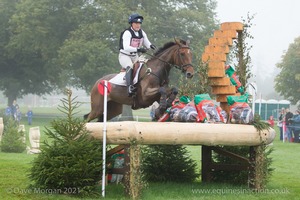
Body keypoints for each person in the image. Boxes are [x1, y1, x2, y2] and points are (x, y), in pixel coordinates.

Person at [119, 13, 156, 97]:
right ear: (131, 23)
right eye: (136, 23)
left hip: (135, 56)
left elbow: (146, 42)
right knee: (130, 66)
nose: (138, 25)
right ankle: (129, 88)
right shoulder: (127, 33)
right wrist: (138, 49)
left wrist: (151, 46)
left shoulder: (141, 32)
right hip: (125, 56)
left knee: (144, 67)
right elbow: (126, 47)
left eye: (139, 23)